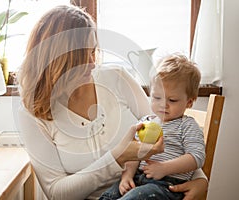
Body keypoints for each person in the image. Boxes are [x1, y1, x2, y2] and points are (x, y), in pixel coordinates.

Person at [17, 5, 208, 200]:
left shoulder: (116, 78)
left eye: (93, 51)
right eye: (83, 57)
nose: (92, 63)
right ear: (58, 61)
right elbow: (57, 193)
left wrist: (201, 180)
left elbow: (167, 127)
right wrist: (118, 157)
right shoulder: (32, 113)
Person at [99, 54, 206, 200]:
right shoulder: (146, 122)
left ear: (189, 102)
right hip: (138, 178)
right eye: (157, 97)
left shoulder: (187, 125)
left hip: (167, 185)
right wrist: (127, 177)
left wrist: (164, 168)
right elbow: (134, 154)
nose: (163, 104)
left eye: (172, 100)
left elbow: (197, 157)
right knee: (109, 195)